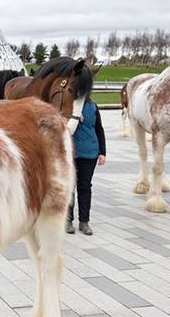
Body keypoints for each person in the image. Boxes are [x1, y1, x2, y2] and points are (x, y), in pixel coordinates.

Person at [66, 96, 106, 235]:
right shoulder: (67, 105)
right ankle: (68, 220)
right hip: (70, 152)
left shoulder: (93, 106)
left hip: (90, 152)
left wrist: (102, 152)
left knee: (85, 186)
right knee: (69, 186)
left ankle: (84, 222)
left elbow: (99, 129)